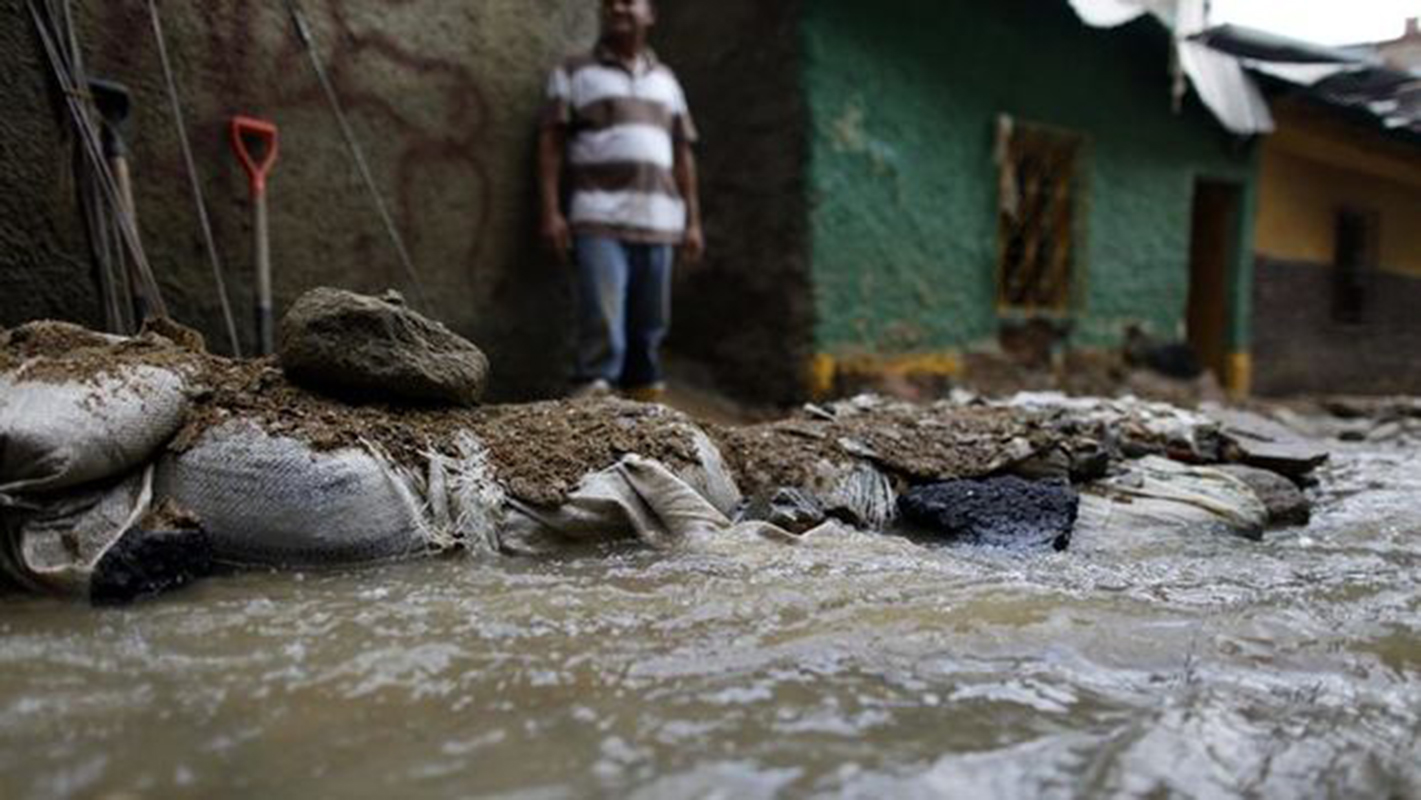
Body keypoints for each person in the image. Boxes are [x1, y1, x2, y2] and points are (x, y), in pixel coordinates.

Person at [538, 0, 704, 402]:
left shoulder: (667, 81)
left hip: (660, 221)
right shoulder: (574, 71)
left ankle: (645, 418)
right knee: (603, 327)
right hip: (598, 218)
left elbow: (683, 154)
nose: (618, 8)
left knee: (649, 331)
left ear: (650, 14)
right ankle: (592, 413)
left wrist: (692, 221)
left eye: (629, 1)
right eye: (609, 2)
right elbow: (551, 144)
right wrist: (551, 212)